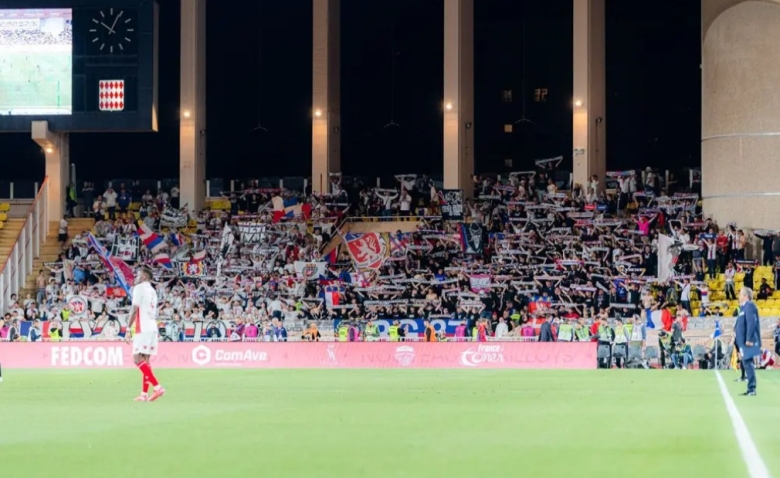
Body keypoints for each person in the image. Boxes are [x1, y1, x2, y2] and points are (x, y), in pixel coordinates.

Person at [126, 266, 166, 402]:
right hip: (152, 327)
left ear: (143, 277)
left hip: (142, 328)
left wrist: (127, 328)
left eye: (137, 275)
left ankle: (157, 387)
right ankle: (144, 394)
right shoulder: (153, 291)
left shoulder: (140, 288)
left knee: (137, 359)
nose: (136, 278)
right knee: (146, 362)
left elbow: (134, 309)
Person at [735, 287, 761, 396]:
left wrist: (749, 339)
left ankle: (752, 389)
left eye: (741, 294)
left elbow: (751, 323)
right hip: (743, 341)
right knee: (746, 362)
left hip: (748, 341)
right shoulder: (743, 308)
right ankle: (751, 388)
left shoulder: (750, 306)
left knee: (747, 363)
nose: (739, 296)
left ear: (746, 296)